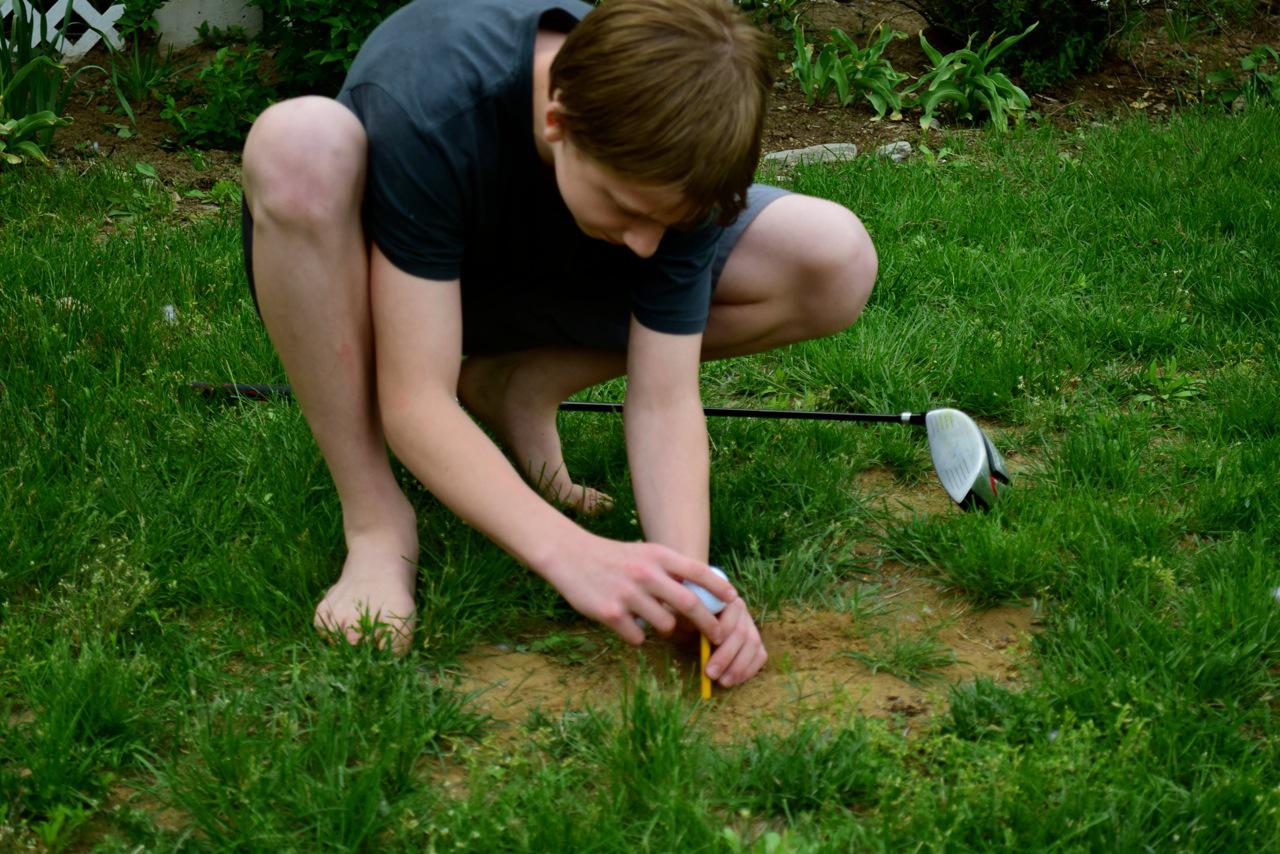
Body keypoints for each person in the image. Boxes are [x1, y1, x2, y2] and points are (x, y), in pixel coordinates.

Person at [239, 0, 876, 689]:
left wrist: (688, 583)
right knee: (298, 142)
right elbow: (416, 401)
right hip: (392, 285)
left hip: (537, 263)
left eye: (667, 224)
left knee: (834, 259)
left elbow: (664, 400)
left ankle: (519, 384)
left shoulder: (671, 151)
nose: (647, 246)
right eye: (629, 210)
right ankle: (376, 524)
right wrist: (571, 553)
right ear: (556, 121)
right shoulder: (434, 101)